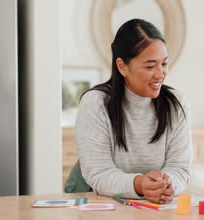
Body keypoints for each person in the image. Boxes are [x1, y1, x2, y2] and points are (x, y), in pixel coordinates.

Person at [64, 18, 192, 204]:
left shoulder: (176, 104)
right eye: (150, 66)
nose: (160, 74)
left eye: (163, 64)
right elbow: (99, 174)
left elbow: (179, 168)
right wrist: (140, 184)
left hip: (146, 201)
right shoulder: (95, 103)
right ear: (122, 66)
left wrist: (167, 184)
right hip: (90, 194)